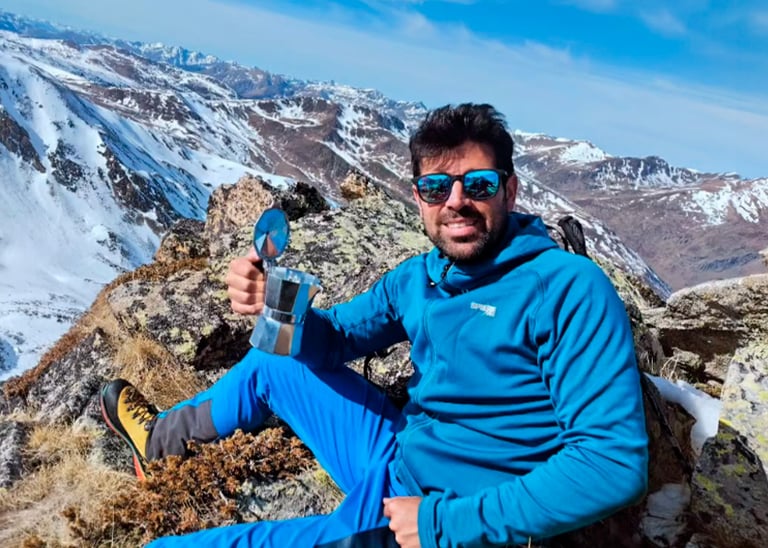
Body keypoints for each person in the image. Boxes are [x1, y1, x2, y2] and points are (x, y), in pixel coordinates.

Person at [101, 103, 648, 548]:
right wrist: (276, 302)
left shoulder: (567, 288)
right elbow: (334, 340)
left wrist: (440, 525)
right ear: (418, 198)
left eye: (477, 184)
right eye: (437, 188)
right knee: (274, 357)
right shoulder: (421, 277)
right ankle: (159, 444)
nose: (456, 202)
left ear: (509, 190)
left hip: (432, 514)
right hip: (397, 453)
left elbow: (611, 464)